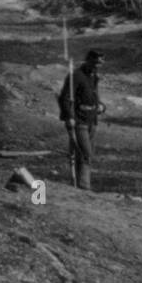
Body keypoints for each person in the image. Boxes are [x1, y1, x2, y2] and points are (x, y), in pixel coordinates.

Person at [59, 49, 105, 190]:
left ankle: (79, 185)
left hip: (92, 121)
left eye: (100, 63)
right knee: (86, 154)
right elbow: (65, 98)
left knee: (83, 155)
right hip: (79, 121)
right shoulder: (76, 76)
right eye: (96, 63)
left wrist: (102, 106)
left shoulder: (94, 77)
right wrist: (70, 117)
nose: (98, 66)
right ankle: (84, 186)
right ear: (88, 60)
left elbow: (94, 97)